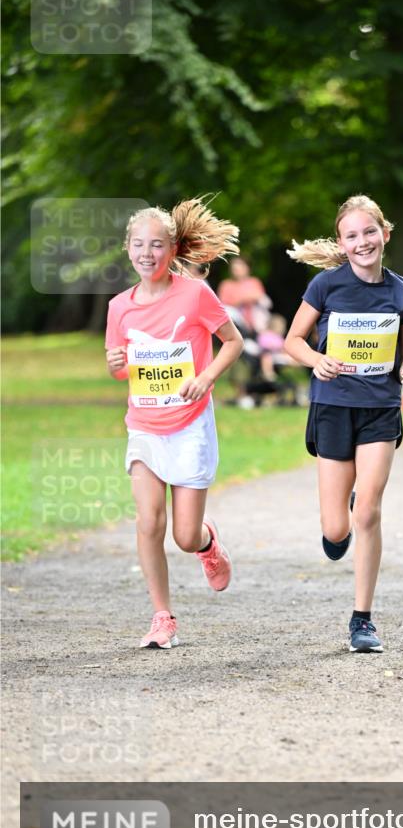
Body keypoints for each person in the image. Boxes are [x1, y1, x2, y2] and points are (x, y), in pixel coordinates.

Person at [284, 194, 403, 653]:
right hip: (333, 407)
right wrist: (317, 360)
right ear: (342, 244)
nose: (362, 241)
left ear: (385, 234)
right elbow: (293, 341)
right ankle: (338, 522)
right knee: (336, 528)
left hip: (380, 409)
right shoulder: (326, 286)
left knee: (368, 511)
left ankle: (362, 619)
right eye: (352, 235)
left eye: (369, 232)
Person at [105, 198, 244, 650]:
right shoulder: (118, 308)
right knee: (148, 521)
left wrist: (205, 378)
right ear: (128, 249)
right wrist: (116, 362)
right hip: (144, 425)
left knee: (184, 535)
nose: (148, 253)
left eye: (157, 244)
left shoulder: (194, 294)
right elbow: (122, 369)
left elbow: (233, 342)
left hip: (188, 425)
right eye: (139, 244)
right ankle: (162, 617)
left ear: (172, 249)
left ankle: (207, 545)